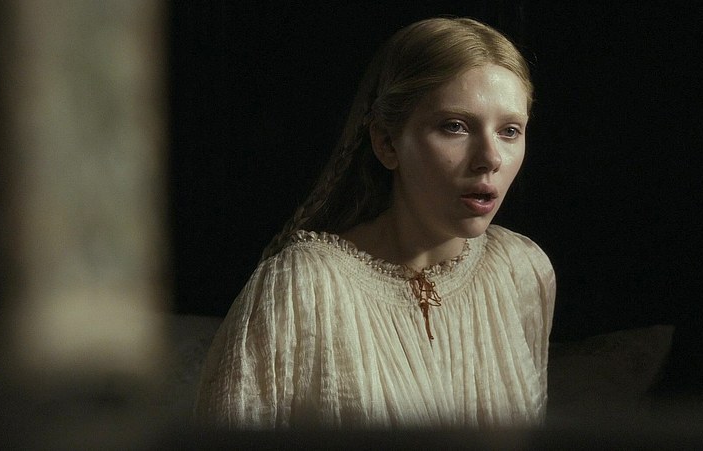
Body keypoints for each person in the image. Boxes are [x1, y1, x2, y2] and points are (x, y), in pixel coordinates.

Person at [195, 17, 555, 430]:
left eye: (510, 131)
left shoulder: (521, 270)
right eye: (455, 126)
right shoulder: (302, 288)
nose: (490, 158)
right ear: (386, 142)